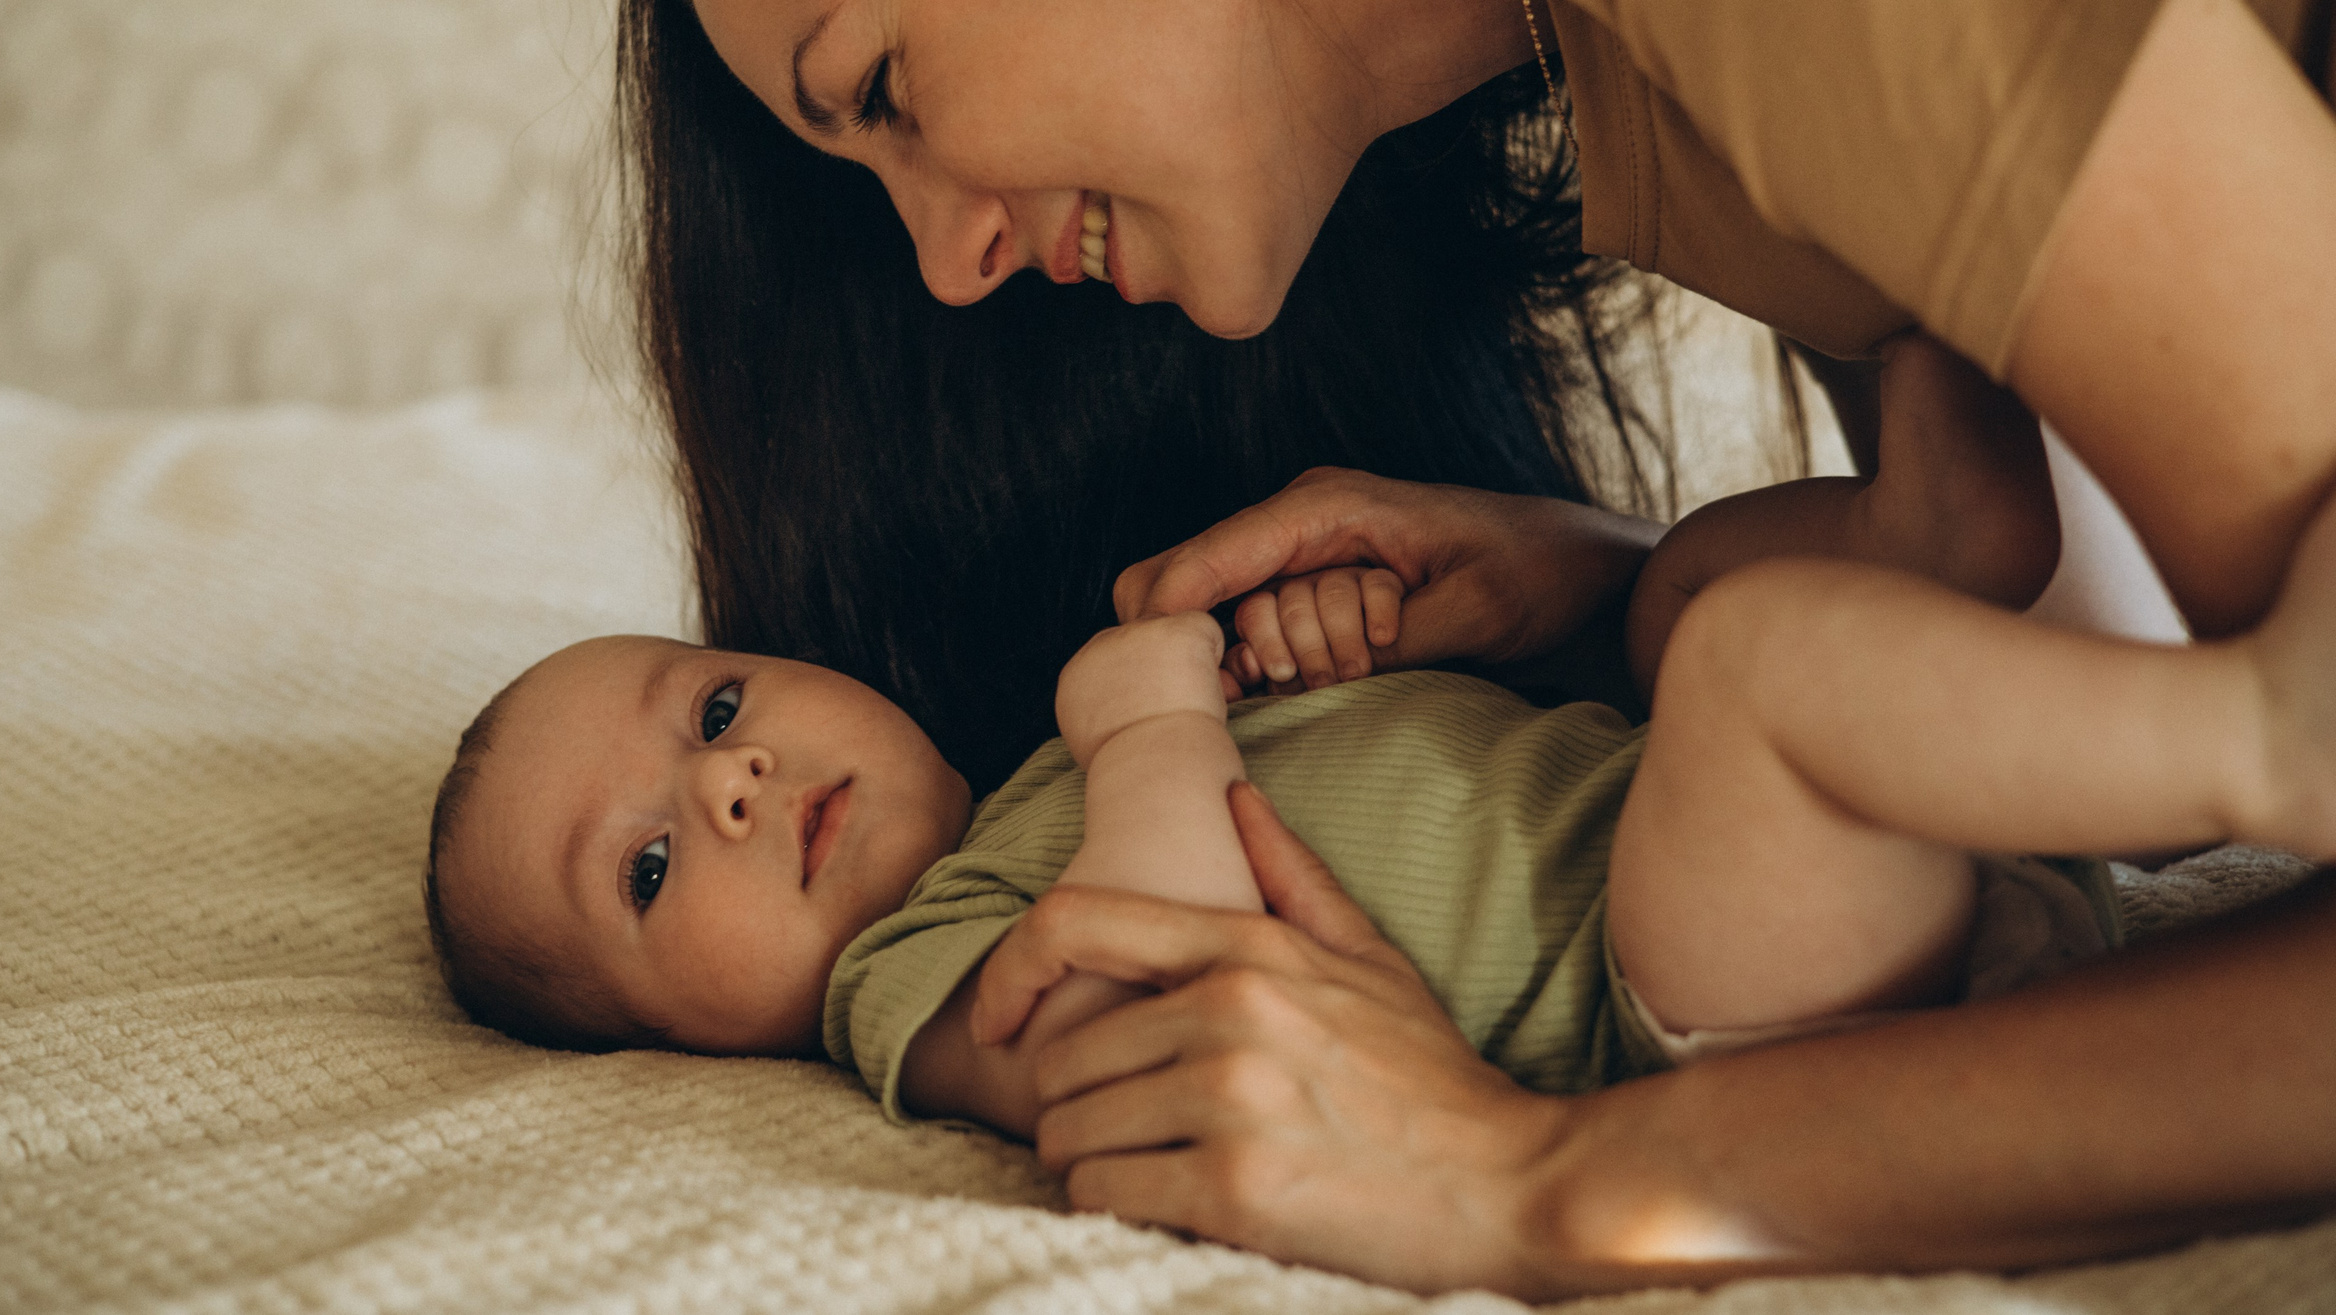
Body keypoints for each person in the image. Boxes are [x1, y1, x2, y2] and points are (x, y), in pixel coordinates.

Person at [618, 0, 2336, 1292]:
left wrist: (1552, 1182)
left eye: (888, 91)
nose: (943, 263)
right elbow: (2098, 660)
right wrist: (1600, 586)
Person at [427, 340, 2325, 1147]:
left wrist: (1322, 661)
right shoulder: (910, 993)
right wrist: (1161, 729)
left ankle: (1947, 532)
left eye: (720, 708)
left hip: (1742, 857)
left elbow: (1433, 759)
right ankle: (2260, 743)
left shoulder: (1040, 780)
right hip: (1683, 1007)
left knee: (1693, 599)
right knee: (1756, 666)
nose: (734, 786)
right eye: (655, 866)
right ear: (671, 1044)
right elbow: (1168, 992)